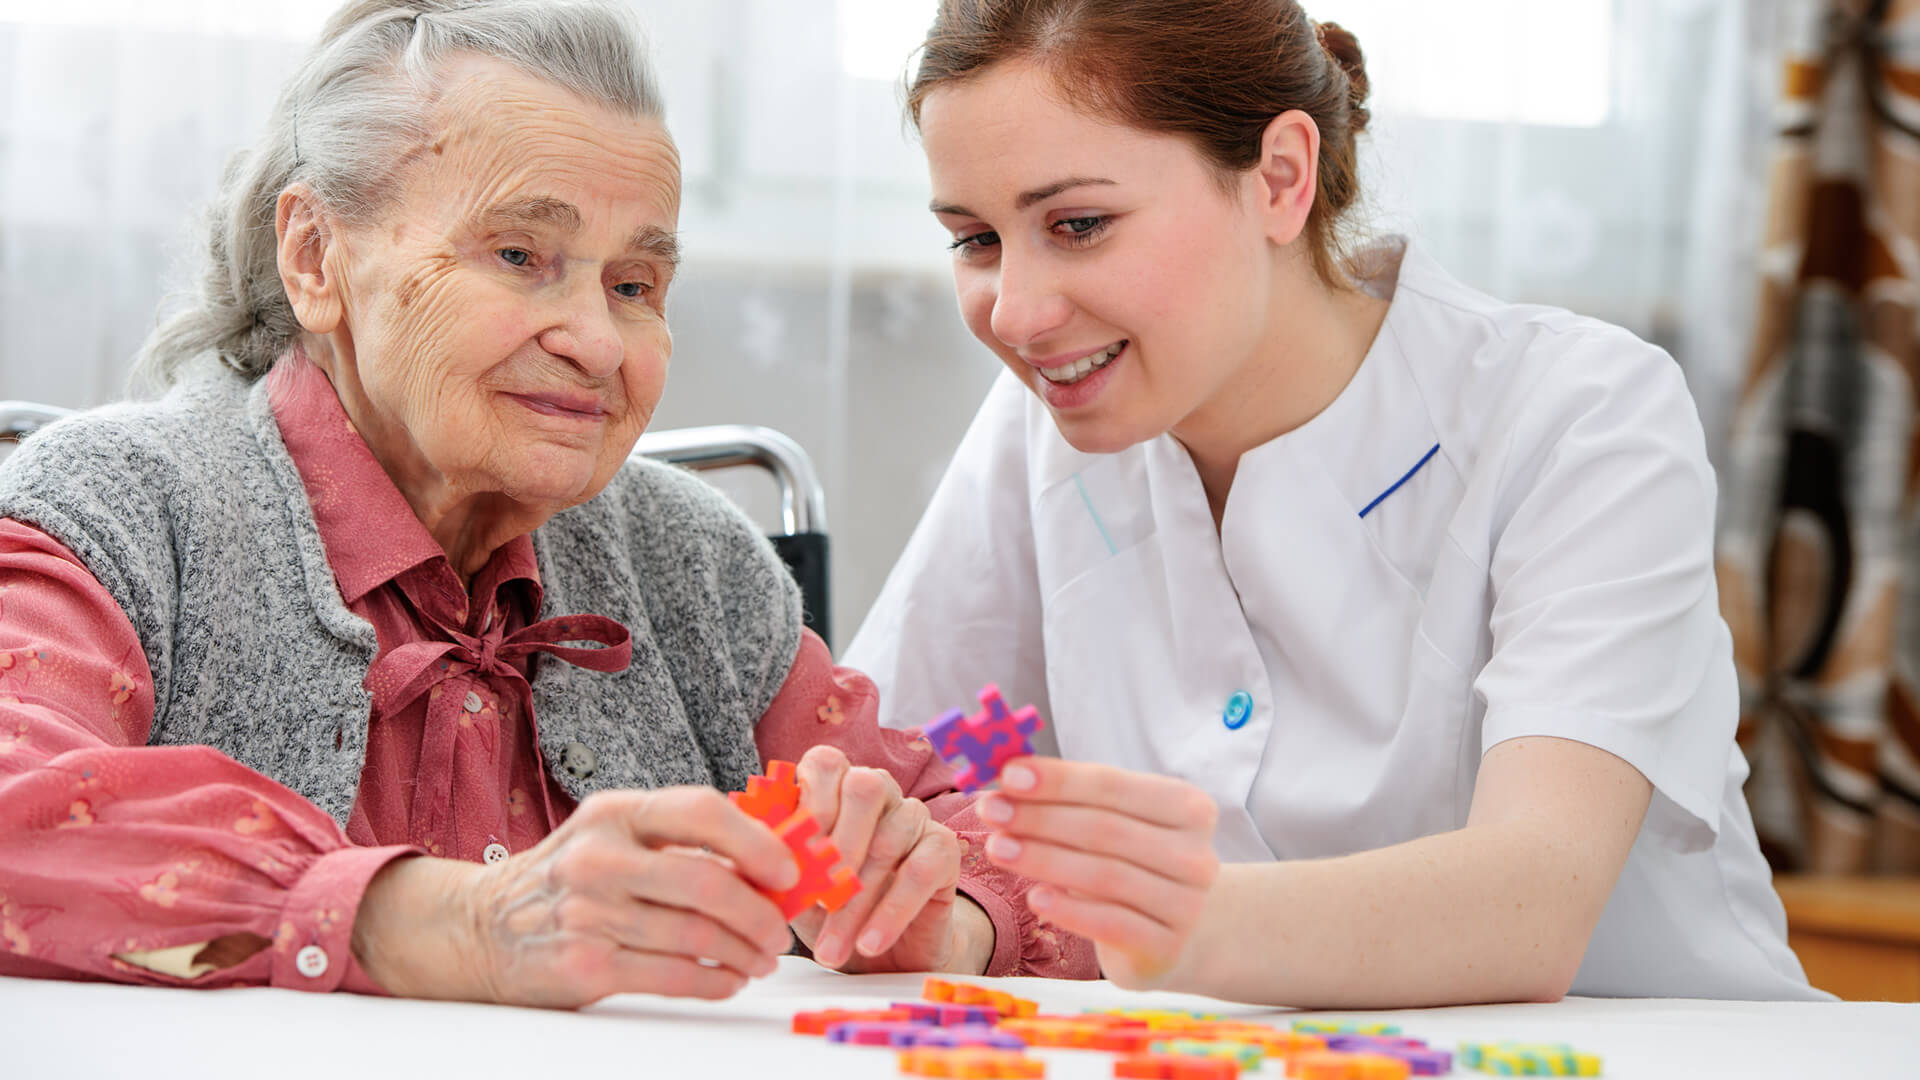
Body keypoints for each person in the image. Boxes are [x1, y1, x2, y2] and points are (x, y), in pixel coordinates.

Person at [0, 0, 1095, 1008]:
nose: (596, 342)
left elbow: (1012, 848)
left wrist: (931, 917)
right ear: (315, 256)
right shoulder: (118, 507)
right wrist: (454, 924)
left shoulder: (695, 568)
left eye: (634, 286)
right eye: (520, 255)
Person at [845, 0, 1824, 1006]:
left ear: (1280, 178)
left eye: (1080, 225)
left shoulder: (1581, 413)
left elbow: (1529, 906)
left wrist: (1163, 927)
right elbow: (892, 774)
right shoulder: (1040, 427)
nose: (1016, 312)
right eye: (974, 240)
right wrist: (930, 907)